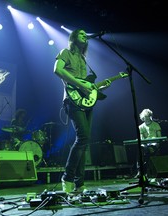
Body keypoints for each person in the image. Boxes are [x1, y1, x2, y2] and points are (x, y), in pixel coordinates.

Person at [53, 29, 110, 193]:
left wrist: (97, 87)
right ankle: (67, 178)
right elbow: (57, 70)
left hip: (86, 102)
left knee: (84, 142)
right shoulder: (65, 52)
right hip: (72, 100)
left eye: (86, 34)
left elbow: (86, 85)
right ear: (73, 37)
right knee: (83, 137)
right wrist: (80, 85)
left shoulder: (84, 60)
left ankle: (80, 184)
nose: (85, 36)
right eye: (81, 34)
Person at [136, 108, 162, 177]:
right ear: (143, 118)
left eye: (148, 117)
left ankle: (148, 171)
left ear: (150, 116)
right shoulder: (140, 127)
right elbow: (142, 139)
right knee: (140, 151)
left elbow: (159, 138)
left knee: (149, 150)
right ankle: (140, 171)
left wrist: (155, 143)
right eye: (145, 117)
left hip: (154, 143)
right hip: (146, 145)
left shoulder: (156, 125)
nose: (146, 119)